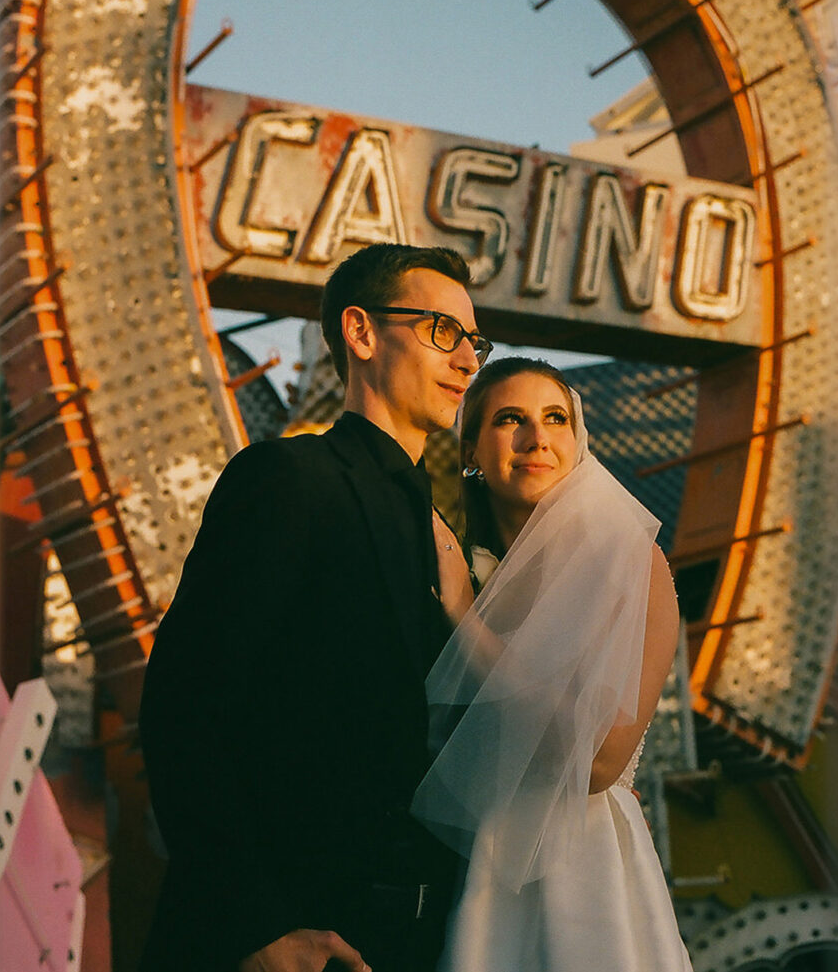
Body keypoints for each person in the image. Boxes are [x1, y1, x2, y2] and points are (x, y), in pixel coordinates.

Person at [141, 243, 487, 972]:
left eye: (475, 340)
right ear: (361, 333)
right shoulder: (286, 480)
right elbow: (183, 708)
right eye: (442, 332)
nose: (467, 361)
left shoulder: (447, 535)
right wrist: (256, 926)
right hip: (286, 939)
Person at [412, 358, 688, 971]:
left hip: (580, 872)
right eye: (511, 419)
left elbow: (596, 761)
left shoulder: (628, 563)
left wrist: (464, 619)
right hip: (477, 867)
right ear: (471, 451)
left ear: (576, 440)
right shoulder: (469, 568)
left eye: (555, 418)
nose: (537, 438)